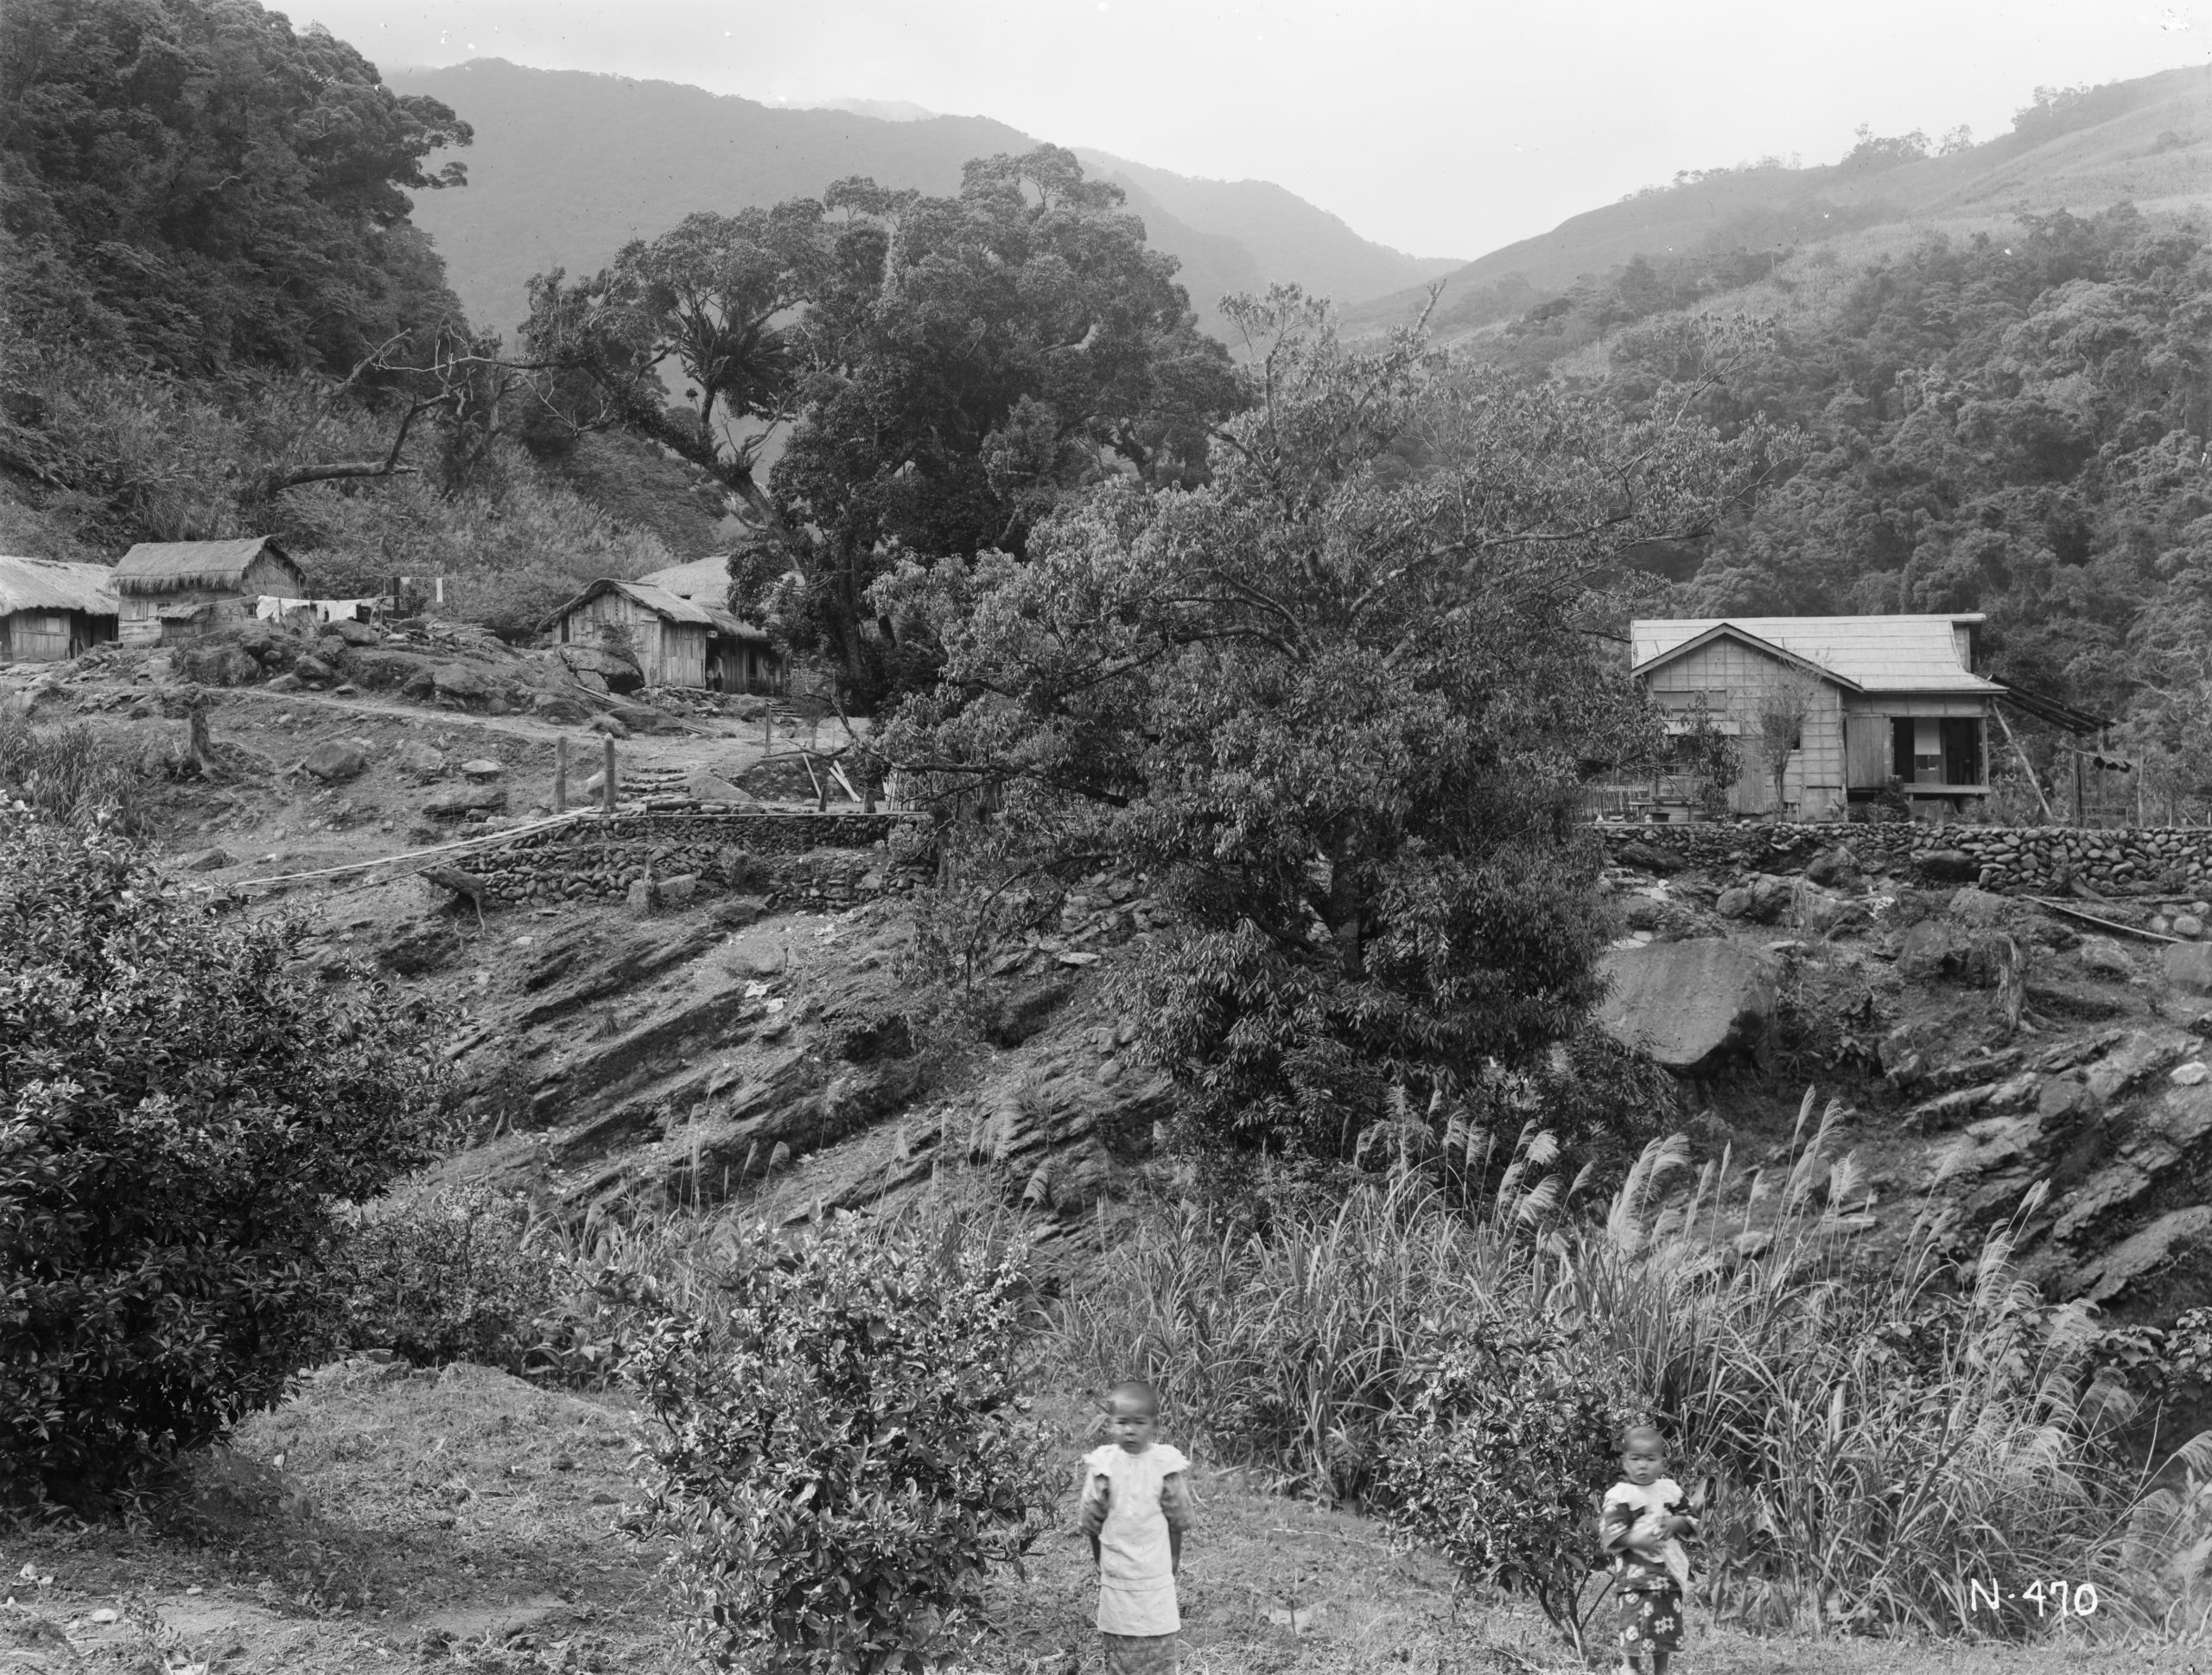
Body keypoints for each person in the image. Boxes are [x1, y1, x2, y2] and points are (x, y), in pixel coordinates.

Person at [1077, 1380, 1194, 1674]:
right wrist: (1099, 1559)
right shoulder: (1104, 1469)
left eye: (1139, 1422)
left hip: (1155, 1573)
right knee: (1120, 1649)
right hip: (1117, 1572)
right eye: (1122, 1422)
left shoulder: (1164, 1468)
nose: (1130, 1430)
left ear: (1153, 1425)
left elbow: (1177, 1519)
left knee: (1160, 1648)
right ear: (1110, 1425)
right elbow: (1091, 1521)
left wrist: (1174, 1559)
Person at [1599, 1423, 1697, 1675]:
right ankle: (1629, 1667)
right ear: (1624, 1461)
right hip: (1634, 1577)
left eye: (1650, 1459)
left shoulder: (1670, 1490)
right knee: (1631, 1621)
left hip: (1666, 1575)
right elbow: (1610, 1530)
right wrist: (1635, 1539)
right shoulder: (1620, 1494)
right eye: (1636, 1458)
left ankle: (1660, 1669)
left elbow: (1691, 1517)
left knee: (1663, 1625)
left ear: (1662, 1462)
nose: (1643, 1465)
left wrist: (1676, 1522)